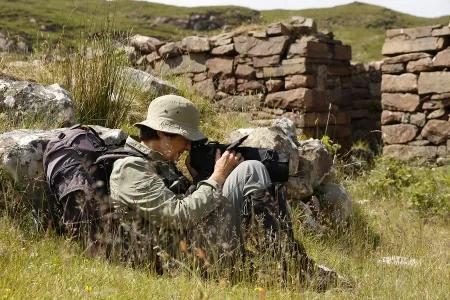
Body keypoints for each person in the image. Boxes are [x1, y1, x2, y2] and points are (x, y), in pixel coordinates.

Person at [108, 94, 342, 289]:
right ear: (162, 133)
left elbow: (186, 207)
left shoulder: (160, 164)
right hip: (179, 259)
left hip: (193, 246)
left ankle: (288, 262)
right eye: (185, 138)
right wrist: (217, 177)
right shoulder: (131, 167)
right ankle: (290, 267)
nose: (188, 146)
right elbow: (177, 216)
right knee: (251, 170)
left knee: (252, 171)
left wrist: (199, 179)